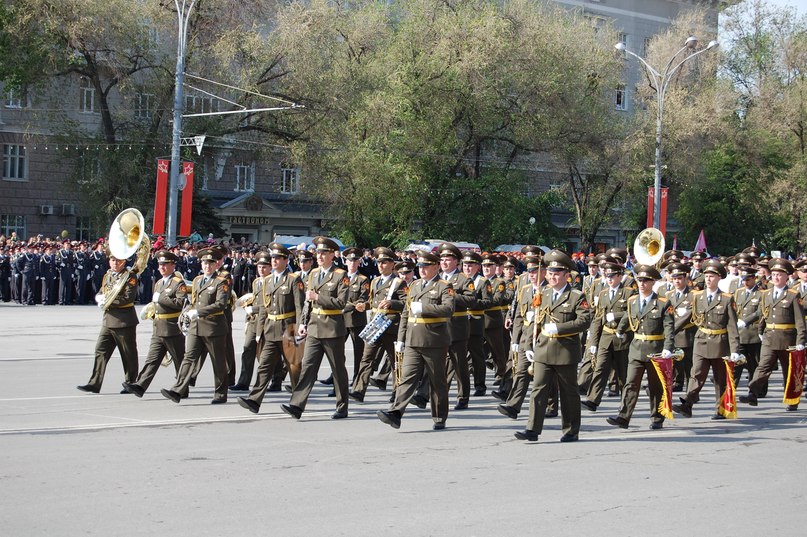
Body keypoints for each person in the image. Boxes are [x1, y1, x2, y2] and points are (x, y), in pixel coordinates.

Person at [514, 250, 591, 443]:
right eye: (550, 273)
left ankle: (571, 430)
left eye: (557, 273)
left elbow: (584, 321)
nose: (552, 277)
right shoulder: (543, 294)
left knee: (568, 393)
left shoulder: (576, 296)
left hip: (565, 351)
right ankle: (532, 429)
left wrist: (559, 328)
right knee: (538, 390)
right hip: (543, 349)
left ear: (567, 275)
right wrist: (528, 345)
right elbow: (534, 322)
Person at [377, 251, 454, 430]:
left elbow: (448, 309)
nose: (422, 270)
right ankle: (395, 413)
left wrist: (424, 308)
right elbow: (406, 313)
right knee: (406, 378)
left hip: (434, 340)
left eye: (426, 266)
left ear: (436, 266)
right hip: (412, 339)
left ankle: (439, 416)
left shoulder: (444, 286)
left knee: (437, 381)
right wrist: (401, 339)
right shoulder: (414, 285)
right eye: (420, 266)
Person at [281, 237, 350, 420]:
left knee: (338, 369)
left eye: (323, 253)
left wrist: (318, 297)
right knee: (308, 367)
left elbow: (341, 302)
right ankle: (297, 405)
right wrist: (303, 323)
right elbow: (307, 303)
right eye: (318, 252)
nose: (319, 256)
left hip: (332, 328)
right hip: (313, 327)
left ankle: (342, 405)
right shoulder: (313, 274)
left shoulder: (340, 275)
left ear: (331, 255)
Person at [605, 264, 674, 430]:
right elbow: (628, 318)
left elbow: (669, 327)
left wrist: (668, 347)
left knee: (655, 386)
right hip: (636, 348)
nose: (642, 284)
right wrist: (620, 331)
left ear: (653, 282)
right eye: (640, 280)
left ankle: (657, 417)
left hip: (655, 349)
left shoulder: (663, 303)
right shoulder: (632, 301)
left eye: (646, 281)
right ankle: (624, 417)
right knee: (630, 384)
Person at [237, 244, 305, 414]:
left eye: (277, 258)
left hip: (288, 328)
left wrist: (299, 328)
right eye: (272, 258)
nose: (273, 261)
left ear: (285, 260)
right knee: (264, 366)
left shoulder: (293, 279)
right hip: (270, 329)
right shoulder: (266, 281)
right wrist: (259, 332)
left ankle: (298, 402)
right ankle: (254, 400)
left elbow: (300, 307)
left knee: (294, 367)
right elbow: (263, 309)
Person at [160, 248, 231, 404]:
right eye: (205, 263)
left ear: (216, 265)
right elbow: (193, 301)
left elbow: (220, 304)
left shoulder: (221, 282)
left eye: (211, 263)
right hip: (196, 326)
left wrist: (198, 312)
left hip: (214, 327)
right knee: (188, 358)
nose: (207, 266)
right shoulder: (198, 280)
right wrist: (188, 311)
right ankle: (178, 390)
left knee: (218, 361)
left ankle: (220, 393)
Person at [673, 260, 741, 419]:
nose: (708, 279)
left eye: (712, 276)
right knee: (696, 373)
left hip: (720, 343)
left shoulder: (726, 299)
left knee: (720, 379)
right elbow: (687, 317)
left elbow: (732, 326)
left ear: (719, 278)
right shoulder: (697, 297)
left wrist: (735, 350)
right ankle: (687, 404)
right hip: (701, 340)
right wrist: (670, 332)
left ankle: (721, 409)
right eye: (707, 276)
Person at [739, 258, 806, 410]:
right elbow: (763, 313)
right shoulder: (766, 294)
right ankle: (753, 393)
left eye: (779, 275)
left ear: (787, 276)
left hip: (788, 338)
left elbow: (800, 320)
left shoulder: (793, 295)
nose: (776, 277)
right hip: (769, 336)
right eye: (774, 274)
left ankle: (792, 399)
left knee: (788, 371)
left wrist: (801, 340)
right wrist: (761, 330)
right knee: (763, 367)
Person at [123, 250, 188, 397]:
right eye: (160, 265)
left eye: (165, 265)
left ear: (173, 266)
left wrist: (161, 299)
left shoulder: (178, 283)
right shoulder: (159, 283)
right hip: (158, 327)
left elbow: (181, 303)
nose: (162, 267)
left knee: (180, 361)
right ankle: (140, 385)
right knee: (152, 359)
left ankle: (182, 389)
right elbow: (157, 303)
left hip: (172, 328)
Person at [77, 253, 140, 394]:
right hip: (108, 320)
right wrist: (99, 297)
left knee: (127, 353)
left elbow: (128, 298)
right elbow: (103, 291)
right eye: (112, 260)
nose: (115, 263)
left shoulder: (130, 276)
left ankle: (131, 383)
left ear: (124, 262)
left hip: (124, 320)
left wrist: (109, 300)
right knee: (100, 351)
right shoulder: (108, 275)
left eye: (118, 260)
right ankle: (94, 383)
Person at [350, 247, 408, 400]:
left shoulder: (399, 283)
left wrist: (392, 303)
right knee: (367, 358)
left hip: (390, 325)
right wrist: (364, 306)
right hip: (375, 325)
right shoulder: (375, 281)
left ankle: (397, 392)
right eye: (378, 262)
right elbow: (373, 302)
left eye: (384, 262)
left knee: (395, 361)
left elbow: (406, 303)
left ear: (392, 264)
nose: (380, 265)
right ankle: (359, 390)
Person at [581, 259, 634, 412]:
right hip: (605, 337)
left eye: (612, 276)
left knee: (623, 375)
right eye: (607, 276)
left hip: (622, 338)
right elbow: (598, 319)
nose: (609, 279)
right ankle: (592, 400)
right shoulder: (603, 293)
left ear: (619, 276)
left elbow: (634, 312)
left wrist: (616, 316)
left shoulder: (629, 292)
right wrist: (593, 343)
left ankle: (625, 405)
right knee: (600, 369)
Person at [230, 251, 272, 392]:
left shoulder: (272, 282)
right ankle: (244, 382)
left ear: (270, 268)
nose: (261, 269)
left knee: (270, 355)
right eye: (259, 267)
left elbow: (269, 304)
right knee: (248, 350)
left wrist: (253, 309)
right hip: (254, 322)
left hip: (268, 321)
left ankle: (276, 380)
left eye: (264, 267)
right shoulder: (256, 282)